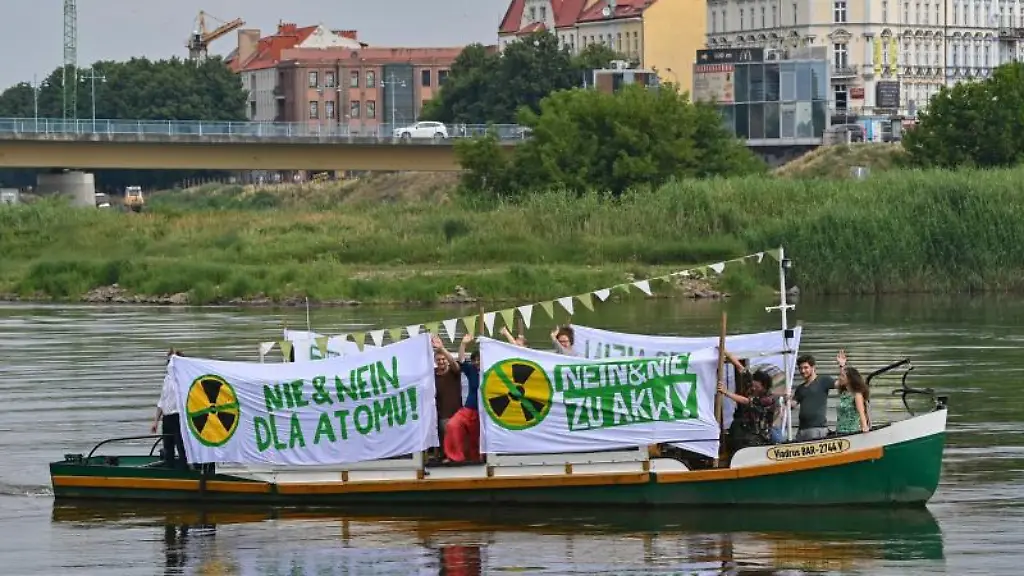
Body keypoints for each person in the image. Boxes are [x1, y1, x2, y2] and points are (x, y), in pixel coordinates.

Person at [443, 333, 482, 463]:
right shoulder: (471, 370)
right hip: (468, 409)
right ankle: (456, 456)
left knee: (475, 439)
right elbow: (462, 360)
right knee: (452, 425)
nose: (477, 362)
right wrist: (463, 343)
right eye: (475, 359)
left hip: (483, 412)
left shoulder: (493, 372)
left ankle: (476, 459)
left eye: (479, 359)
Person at [718, 370, 777, 453]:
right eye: (753, 385)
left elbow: (747, 401)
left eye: (757, 387)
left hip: (761, 437)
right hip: (747, 432)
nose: (753, 388)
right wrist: (728, 356)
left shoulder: (768, 399)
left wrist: (726, 392)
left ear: (765, 387)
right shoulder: (753, 388)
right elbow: (742, 370)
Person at [791, 351, 842, 441]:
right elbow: (792, 405)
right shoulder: (800, 388)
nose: (803, 371)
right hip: (802, 430)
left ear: (813, 367)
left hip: (817, 429)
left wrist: (842, 366)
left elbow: (841, 384)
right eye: (800, 368)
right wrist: (785, 398)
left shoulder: (823, 380)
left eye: (806, 367)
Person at [151, 348, 187, 468]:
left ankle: (185, 471)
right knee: (168, 447)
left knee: (181, 447)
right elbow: (162, 401)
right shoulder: (167, 379)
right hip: (167, 418)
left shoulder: (184, 379)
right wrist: (156, 421)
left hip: (179, 417)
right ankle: (169, 469)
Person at [431, 335, 463, 456]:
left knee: (449, 431)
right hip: (438, 412)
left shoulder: (453, 372)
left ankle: (452, 457)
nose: (441, 362)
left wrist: (442, 348)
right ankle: (441, 455)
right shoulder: (432, 374)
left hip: (454, 412)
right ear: (435, 361)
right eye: (438, 360)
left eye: (443, 359)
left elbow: (455, 365)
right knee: (440, 434)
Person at [836, 365, 871, 434]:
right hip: (839, 431)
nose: (840, 378)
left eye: (842, 376)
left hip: (852, 432)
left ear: (850, 379)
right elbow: (838, 382)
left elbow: (861, 413)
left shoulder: (857, 395)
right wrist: (841, 365)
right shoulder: (844, 393)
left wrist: (865, 427)